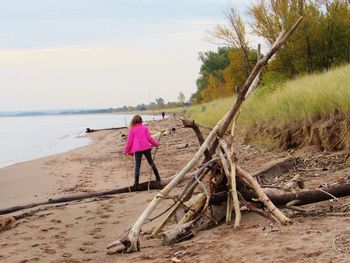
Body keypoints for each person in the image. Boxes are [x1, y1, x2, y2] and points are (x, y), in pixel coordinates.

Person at [124, 115, 161, 187]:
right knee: (151, 162)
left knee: (137, 165)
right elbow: (149, 139)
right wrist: (156, 144)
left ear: (133, 121)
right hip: (146, 147)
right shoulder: (144, 128)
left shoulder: (132, 130)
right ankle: (158, 177)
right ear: (141, 121)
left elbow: (129, 142)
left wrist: (126, 150)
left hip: (137, 149)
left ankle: (136, 183)